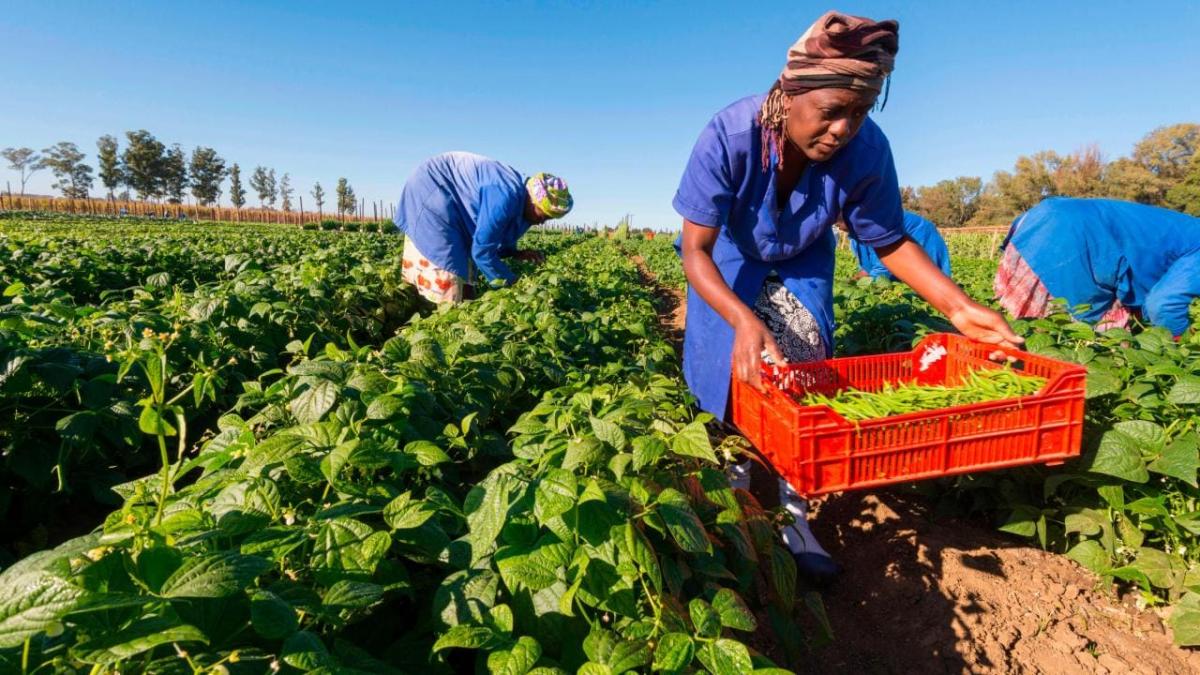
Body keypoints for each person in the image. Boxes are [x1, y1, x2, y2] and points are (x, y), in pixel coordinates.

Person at [673, 11, 1022, 584]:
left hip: (804, 256)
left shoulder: (865, 151)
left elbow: (888, 242)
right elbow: (695, 251)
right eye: (831, 111)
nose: (842, 129)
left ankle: (793, 515)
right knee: (731, 371)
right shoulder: (730, 135)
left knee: (804, 364)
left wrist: (960, 308)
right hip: (727, 258)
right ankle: (735, 496)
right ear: (789, 97)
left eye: (859, 112)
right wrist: (740, 319)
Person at [995, 197, 1200, 337]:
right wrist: (1179, 348)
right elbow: (1164, 304)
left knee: (1032, 330)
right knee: (1095, 337)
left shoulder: (1187, 227)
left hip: (1037, 220)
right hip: (1074, 240)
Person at [396, 152, 573, 303]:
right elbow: (482, 253)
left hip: (451, 202)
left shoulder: (523, 204)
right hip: (432, 192)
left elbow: (495, 237)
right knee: (449, 279)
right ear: (533, 200)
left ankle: (463, 315)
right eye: (543, 215)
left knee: (466, 275)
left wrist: (515, 253)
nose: (542, 222)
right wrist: (515, 286)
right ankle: (447, 322)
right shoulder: (505, 196)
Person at [846, 211, 951, 280]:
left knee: (930, 277)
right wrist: (852, 282)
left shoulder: (875, 226)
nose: (835, 223)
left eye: (839, 218)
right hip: (903, 231)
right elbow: (867, 267)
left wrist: (866, 285)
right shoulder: (855, 236)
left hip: (921, 234)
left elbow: (882, 268)